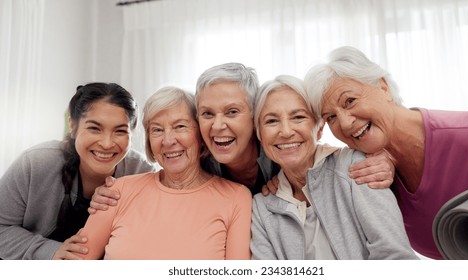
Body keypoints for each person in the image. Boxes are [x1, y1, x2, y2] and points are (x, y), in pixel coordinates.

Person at [88, 63, 395, 212]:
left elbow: (318, 149)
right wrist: (114, 195)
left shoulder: (281, 150)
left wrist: (384, 156)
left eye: (232, 112)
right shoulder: (202, 163)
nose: (218, 126)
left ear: (255, 116)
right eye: (207, 114)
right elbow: (164, 182)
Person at [304, 46, 468, 259]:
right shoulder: (369, 171)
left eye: (350, 101)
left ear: (383, 87)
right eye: (331, 118)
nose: (346, 124)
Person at [250, 75, 417, 260]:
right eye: (271, 121)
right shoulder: (261, 207)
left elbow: (395, 256)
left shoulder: (356, 167)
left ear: (319, 128)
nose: (286, 131)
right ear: (260, 134)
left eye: (298, 117)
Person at [74, 87, 252, 260]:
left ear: (202, 135)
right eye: (157, 130)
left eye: (180, 126)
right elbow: (74, 266)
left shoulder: (236, 198)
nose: (168, 141)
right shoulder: (116, 192)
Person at [0, 83, 157, 260]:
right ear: (73, 126)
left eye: (120, 131)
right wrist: (49, 251)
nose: (107, 143)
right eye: (94, 128)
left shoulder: (142, 172)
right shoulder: (35, 163)